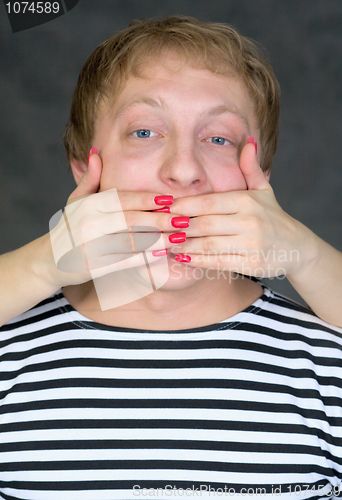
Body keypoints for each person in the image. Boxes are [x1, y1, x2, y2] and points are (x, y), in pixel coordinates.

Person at [0, 15, 342, 500]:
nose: (184, 171)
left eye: (219, 138)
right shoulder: (10, 353)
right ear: (85, 168)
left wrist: (302, 252)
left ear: (257, 177)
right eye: (144, 132)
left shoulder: (327, 364)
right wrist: (44, 260)